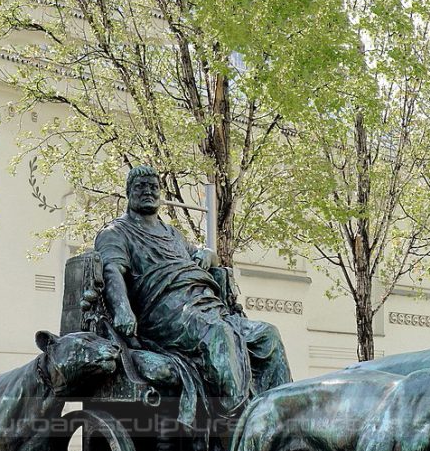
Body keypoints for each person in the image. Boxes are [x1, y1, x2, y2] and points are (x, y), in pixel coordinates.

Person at [94, 166, 291, 423]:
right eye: (141, 186)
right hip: (163, 314)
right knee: (218, 335)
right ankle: (237, 426)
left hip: (204, 305)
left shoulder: (172, 234)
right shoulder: (116, 233)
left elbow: (197, 252)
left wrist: (208, 253)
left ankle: (283, 423)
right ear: (129, 192)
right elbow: (111, 270)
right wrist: (122, 308)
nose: (149, 192)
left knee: (268, 335)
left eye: (154, 187)